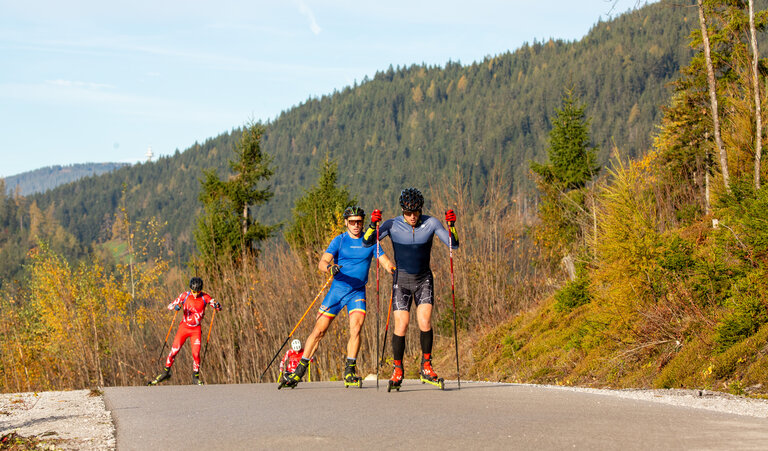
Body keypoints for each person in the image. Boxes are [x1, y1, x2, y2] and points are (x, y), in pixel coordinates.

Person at [280, 206, 395, 389]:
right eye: (352, 222)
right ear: (346, 223)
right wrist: (329, 268)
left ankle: (349, 371)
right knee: (319, 331)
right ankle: (298, 372)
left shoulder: (371, 242)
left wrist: (393, 271)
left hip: (357, 292)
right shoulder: (339, 241)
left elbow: (385, 261)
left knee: (356, 329)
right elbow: (322, 262)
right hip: (337, 292)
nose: (356, 225)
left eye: (359, 222)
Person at [362, 188, 458, 391]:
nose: (413, 216)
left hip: (424, 280)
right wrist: (372, 225)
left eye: (416, 212)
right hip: (402, 280)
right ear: (402, 210)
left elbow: (453, 245)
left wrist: (452, 226)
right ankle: (397, 369)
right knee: (402, 324)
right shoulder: (392, 224)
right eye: (408, 212)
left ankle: (426, 366)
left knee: (425, 321)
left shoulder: (431, 223)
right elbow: (367, 243)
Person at [148, 277, 221, 386]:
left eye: (198, 291)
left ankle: (195, 377)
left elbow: (216, 305)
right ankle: (165, 373)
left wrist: (217, 305)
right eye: (193, 291)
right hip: (184, 328)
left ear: (201, 290)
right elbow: (170, 306)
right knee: (174, 351)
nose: (195, 294)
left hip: (196, 330)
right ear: (190, 289)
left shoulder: (205, 297)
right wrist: (176, 306)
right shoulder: (185, 295)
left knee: (196, 354)